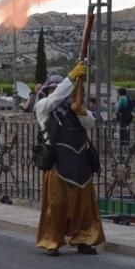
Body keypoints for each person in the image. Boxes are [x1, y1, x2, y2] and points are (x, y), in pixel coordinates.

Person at [34, 63, 105, 256]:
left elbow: (89, 123)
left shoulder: (74, 108)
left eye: (60, 88)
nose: (58, 92)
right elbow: (56, 99)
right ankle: (53, 241)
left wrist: (81, 111)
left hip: (80, 161)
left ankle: (84, 239)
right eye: (53, 89)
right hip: (57, 162)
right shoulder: (42, 107)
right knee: (56, 206)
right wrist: (71, 77)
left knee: (85, 206)